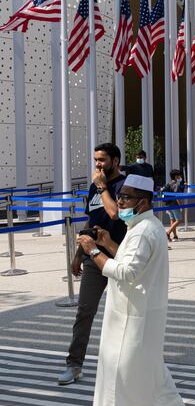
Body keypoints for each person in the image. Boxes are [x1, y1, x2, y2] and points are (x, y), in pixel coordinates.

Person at [76, 174, 189, 406]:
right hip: (144, 308)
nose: (120, 201)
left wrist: (93, 251)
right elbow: (134, 261)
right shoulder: (146, 226)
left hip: (132, 312)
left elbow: (127, 272)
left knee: (120, 369)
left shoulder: (141, 231)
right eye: (120, 195)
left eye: (126, 197)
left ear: (144, 201)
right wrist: (108, 245)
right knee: (147, 364)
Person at [58, 143, 127, 385]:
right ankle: (74, 364)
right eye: (96, 160)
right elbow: (92, 218)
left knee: (125, 315)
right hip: (94, 258)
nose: (98, 164)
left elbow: (114, 213)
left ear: (116, 161)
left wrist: (102, 186)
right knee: (84, 312)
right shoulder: (93, 187)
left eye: (103, 160)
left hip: (121, 257)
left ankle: (126, 367)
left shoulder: (124, 186)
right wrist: (79, 253)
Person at [162, 169, 185, 242]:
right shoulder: (176, 185)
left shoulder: (168, 184)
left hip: (168, 204)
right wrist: (180, 206)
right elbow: (177, 196)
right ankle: (168, 232)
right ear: (175, 176)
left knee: (172, 219)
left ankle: (175, 236)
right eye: (179, 175)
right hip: (174, 204)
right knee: (179, 220)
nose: (180, 177)